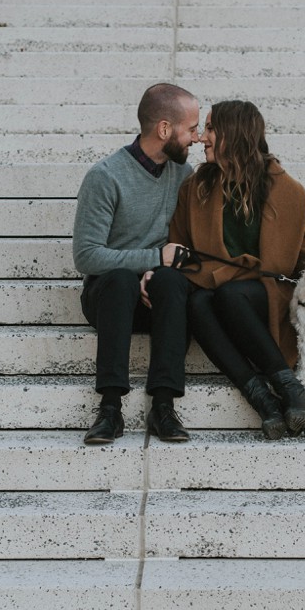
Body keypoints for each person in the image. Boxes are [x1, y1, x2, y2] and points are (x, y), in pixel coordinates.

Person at [167, 100, 305, 439]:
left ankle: (291, 390)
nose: (202, 138)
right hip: (217, 289)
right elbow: (179, 247)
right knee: (199, 303)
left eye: (210, 129)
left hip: (267, 294)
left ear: (233, 134)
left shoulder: (288, 190)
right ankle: (264, 401)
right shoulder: (196, 188)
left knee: (230, 293)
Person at [72, 83, 200, 445]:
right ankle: (110, 408)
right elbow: (87, 255)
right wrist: (151, 260)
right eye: (191, 128)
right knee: (118, 281)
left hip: (158, 295)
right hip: (110, 298)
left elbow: (186, 245)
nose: (196, 137)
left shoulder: (184, 175)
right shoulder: (106, 176)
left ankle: (163, 406)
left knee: (172, 283)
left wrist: (158, 270)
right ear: (164, 129)